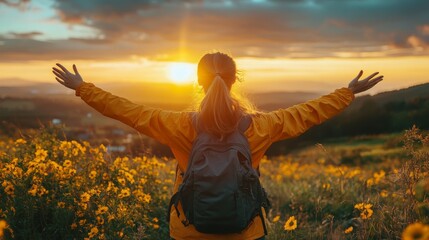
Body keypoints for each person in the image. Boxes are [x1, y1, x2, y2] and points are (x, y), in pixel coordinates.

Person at [52, 52, 383, 240]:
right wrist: (348, 92)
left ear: (198, 82)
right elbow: (308, 113)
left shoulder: (178, 125)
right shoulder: (261, 126)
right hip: (245, 230)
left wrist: (83, 88)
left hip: (188, 229)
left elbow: (127, 111)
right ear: (236, 79)